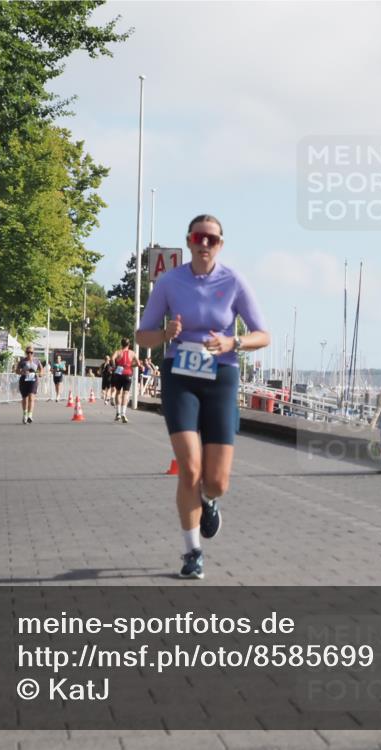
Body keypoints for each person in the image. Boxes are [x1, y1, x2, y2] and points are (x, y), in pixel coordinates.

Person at [137, 214, 270, 579]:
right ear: (189, 241)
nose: (205, 244)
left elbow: (263, 334)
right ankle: (192, 551)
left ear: (221, 245)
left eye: (213, 239)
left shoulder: (234, 281)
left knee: (216, 481)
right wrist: (166, 333)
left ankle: (209, 502)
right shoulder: (169, 282)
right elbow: (141, 336)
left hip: (221, 375)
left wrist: (234, 342)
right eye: (200, 237)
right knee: (190, 469)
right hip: (180, 374)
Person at [110, 338, 139, 423]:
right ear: (129, 344)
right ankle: (123, 413)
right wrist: (130, 365)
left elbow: (112, 358)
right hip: (128, 373)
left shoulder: (118, 352)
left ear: (121, 344)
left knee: (118, 392)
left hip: (119, 373)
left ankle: (118, 413)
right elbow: (138, 363)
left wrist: (115, 366)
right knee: (126, 393)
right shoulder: (132, 353)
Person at [14, 347, 43, 423]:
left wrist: (40, 373)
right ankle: (25, 415)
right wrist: (22, 372)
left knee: (31, 397)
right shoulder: (22, 361)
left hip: (33, 380)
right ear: (26, 353)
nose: (29, 354)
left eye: (31, 352)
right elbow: (17, 371)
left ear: (33, 353)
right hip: (24, 380)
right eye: (28, 352)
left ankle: (30, 415)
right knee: (25, 399)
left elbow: (41, 369)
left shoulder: (36, 361)